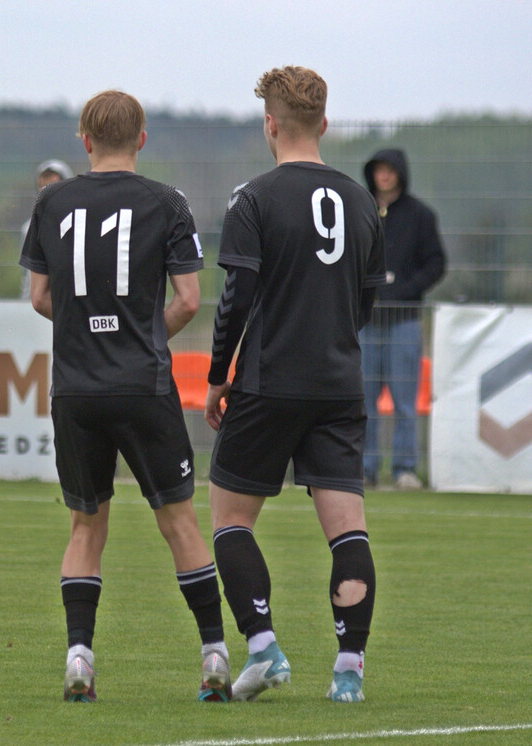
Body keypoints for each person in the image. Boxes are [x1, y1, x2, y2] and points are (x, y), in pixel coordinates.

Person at [21, 90, 230, 704]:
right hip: (143, 383)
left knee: (86, 526)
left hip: (77, 387)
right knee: (178, 521)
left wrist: (88, 332)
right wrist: (141, 336)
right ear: (143, 139)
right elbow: (189, 300)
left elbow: (38, 298)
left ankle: (80, 659)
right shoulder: (167, 202)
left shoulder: (51, 200)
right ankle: (214, 655)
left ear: (84, 140)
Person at [204, 67, 385, 704]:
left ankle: (263, 647)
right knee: (347, 529)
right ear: (326, 125)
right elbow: (365, 302)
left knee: (229, 520)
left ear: (271, 125)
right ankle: (349, 672)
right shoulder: (362, 202)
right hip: (338, 384)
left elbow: (236, 298)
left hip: (267, 380)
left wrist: (216, 376)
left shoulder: (253, 198)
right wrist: (331, 342)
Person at [360, 148, 445, 490]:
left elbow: (436, 263)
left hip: (405, 321)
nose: (384, 176)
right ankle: (364, 470)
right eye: (379, 170)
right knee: (362, 402)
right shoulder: (359, 211)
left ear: (400, 173)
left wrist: (404, 291)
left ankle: (404, 469)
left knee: (405, 401)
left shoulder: (421, 215)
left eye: (390, 170)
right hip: (365, 322)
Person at [20, 159, 74, 299]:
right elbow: (28, 277)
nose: (46, 191)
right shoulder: (29, 229)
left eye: (52, 185)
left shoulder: (78, 224)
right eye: (42, 186)